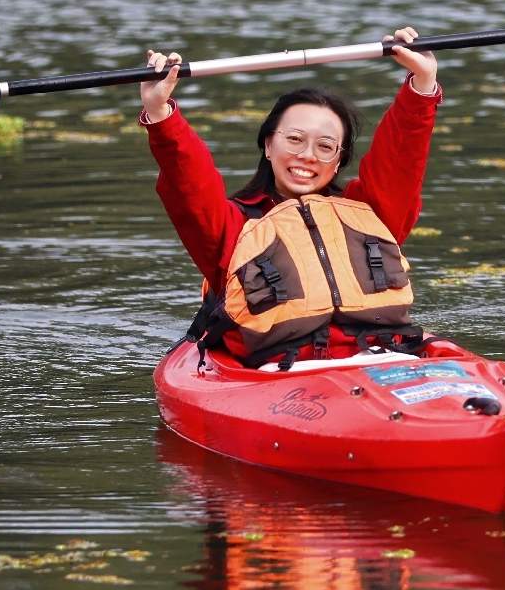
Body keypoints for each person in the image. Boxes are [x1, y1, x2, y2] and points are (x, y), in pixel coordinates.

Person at [138, 28, 441, 367]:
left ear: (339, 160)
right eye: (295, 139)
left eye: (325, 146)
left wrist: (422, 84)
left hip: (382, 360)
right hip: (279, 372)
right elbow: (187, 184)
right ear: (268, 145)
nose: (308, 155)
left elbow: (401, 160)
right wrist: (160, 113)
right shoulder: (233, 228)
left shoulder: (369, 213)